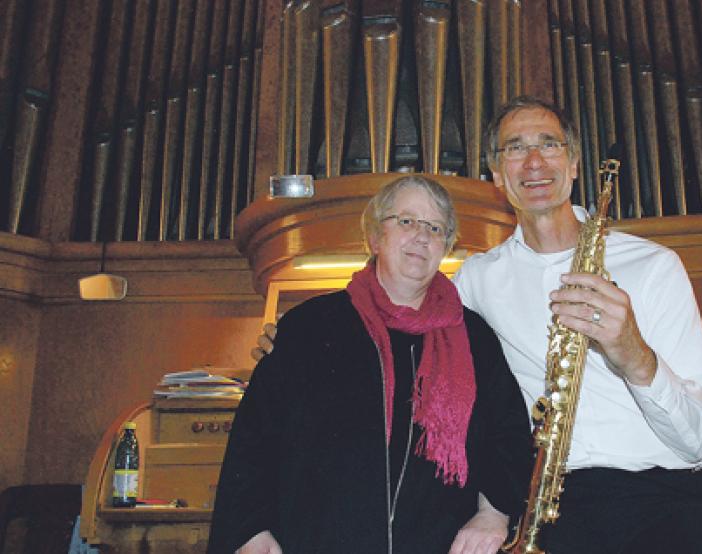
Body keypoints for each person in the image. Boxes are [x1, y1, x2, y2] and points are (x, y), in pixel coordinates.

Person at [255, 97, 702, 553]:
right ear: (497, 175)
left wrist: (633, 354)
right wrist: (306, 345)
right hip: (553, 512)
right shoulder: (475, 281)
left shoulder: (655, 266)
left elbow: (699, 439)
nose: (534, 162)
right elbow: (401, 327)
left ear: (574, 165)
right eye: (516, 148)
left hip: (668, 499)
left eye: (549, 144)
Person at [209, 175, 534, 554]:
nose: (421, 236)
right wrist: (251, 530)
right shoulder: (310, 327)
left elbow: (508, 436)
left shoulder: (474, 337)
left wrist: (493, 513)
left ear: (445, 246)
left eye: (435, 228)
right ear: (375, 237)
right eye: (406, 221)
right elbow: (254, 440)